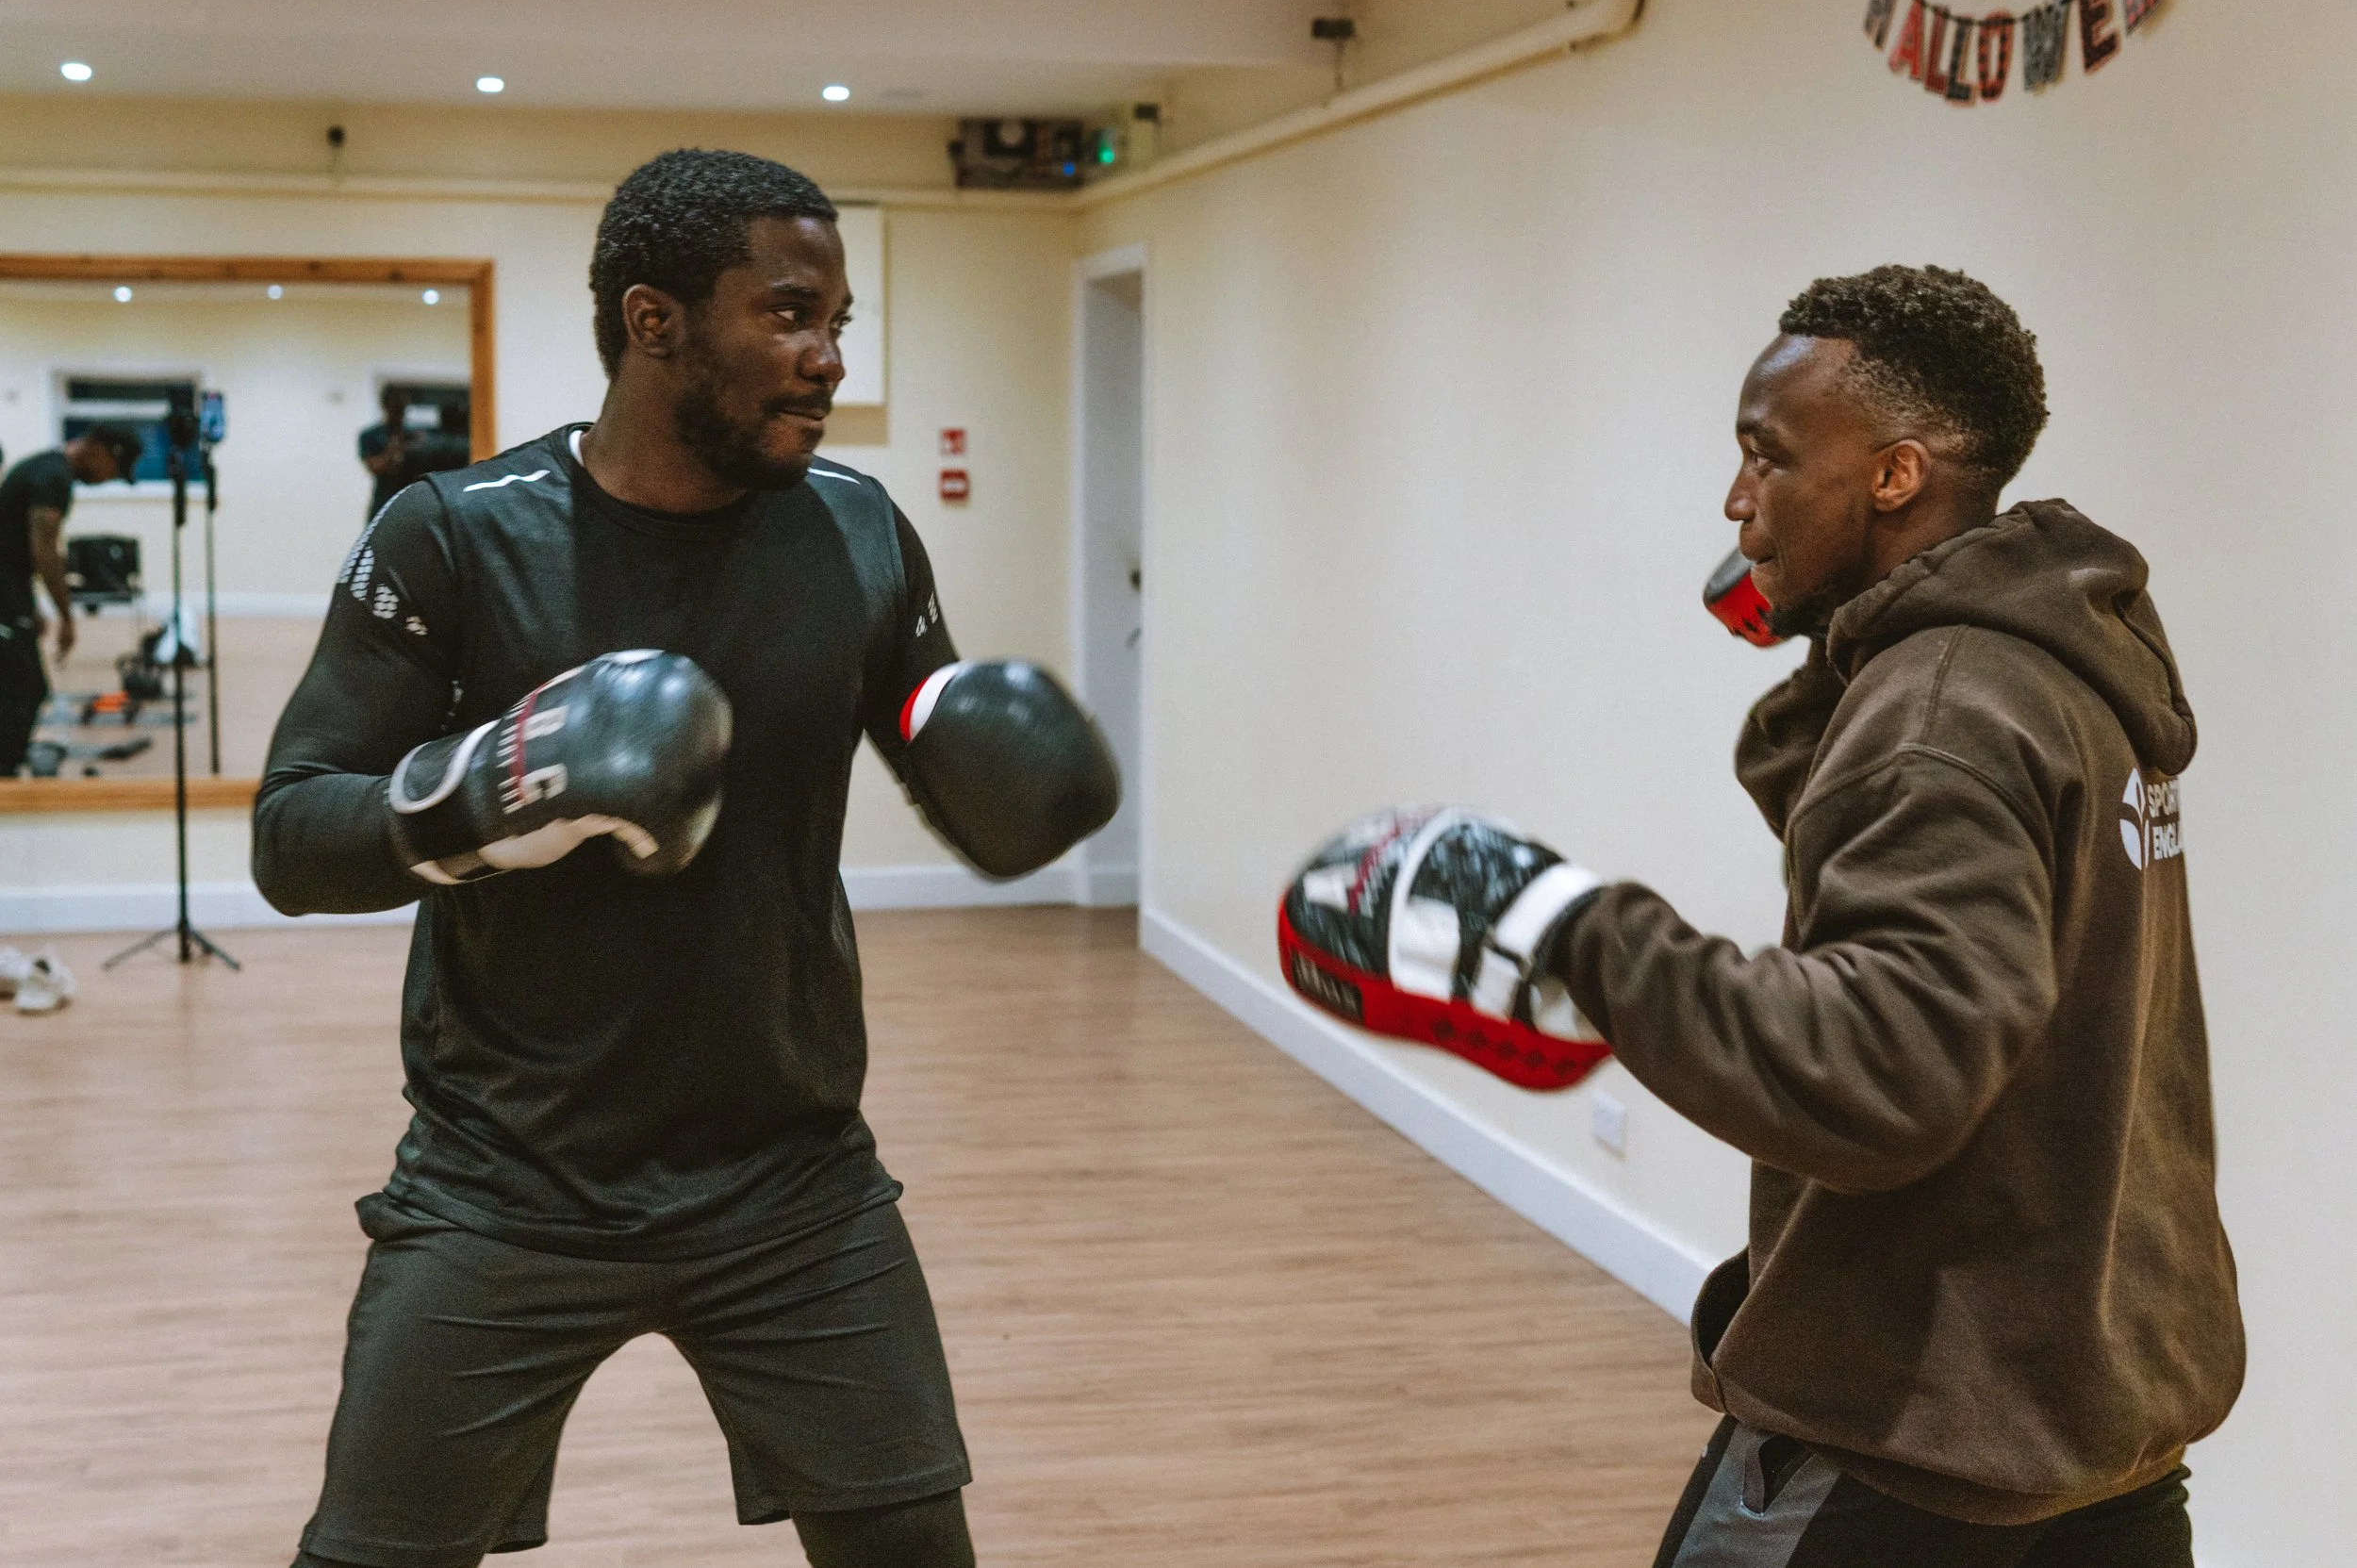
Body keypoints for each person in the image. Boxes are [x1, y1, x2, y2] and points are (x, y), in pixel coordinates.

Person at [1284, 266, 2240, 1563]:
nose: (1737, 498)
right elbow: (1905, 884)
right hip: (2099, 1408)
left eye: (1767, 455)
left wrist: (1571, 923)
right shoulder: (2050, 673)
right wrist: (1837, 639)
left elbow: (1882, 1065)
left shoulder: (1941, 709)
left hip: (1918, 1426)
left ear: (1894, 476)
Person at [254, 148, 1113, 1568]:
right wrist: (492, 787)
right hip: (504, 1181)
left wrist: (997, 771)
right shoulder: (458, 537)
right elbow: (292, 832)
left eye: (841, 323)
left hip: (793, 1181)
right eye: (789, 315)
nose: (828, 358)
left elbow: (942, 757)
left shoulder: (856, 532)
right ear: (654, 321)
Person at [0, 426, 141, 774]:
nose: (108, 479)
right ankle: (5, 775)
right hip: (4, 591)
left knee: (19, 685)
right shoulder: (53, 478)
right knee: (25, 688)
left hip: (9, 588)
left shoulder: (45, 468)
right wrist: (66, 616)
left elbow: (15, 548)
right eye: (114, 470)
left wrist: (30, 604)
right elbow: (44, 550)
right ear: (102, 450)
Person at [356, 385, 416, 519]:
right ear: (386, 407)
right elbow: (375, 467)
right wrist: (392, 449)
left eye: (402, 409)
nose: (400, 414)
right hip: (383, 501)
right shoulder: (370, 435)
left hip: (411, 500)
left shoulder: (413, 435)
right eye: (396, 409)